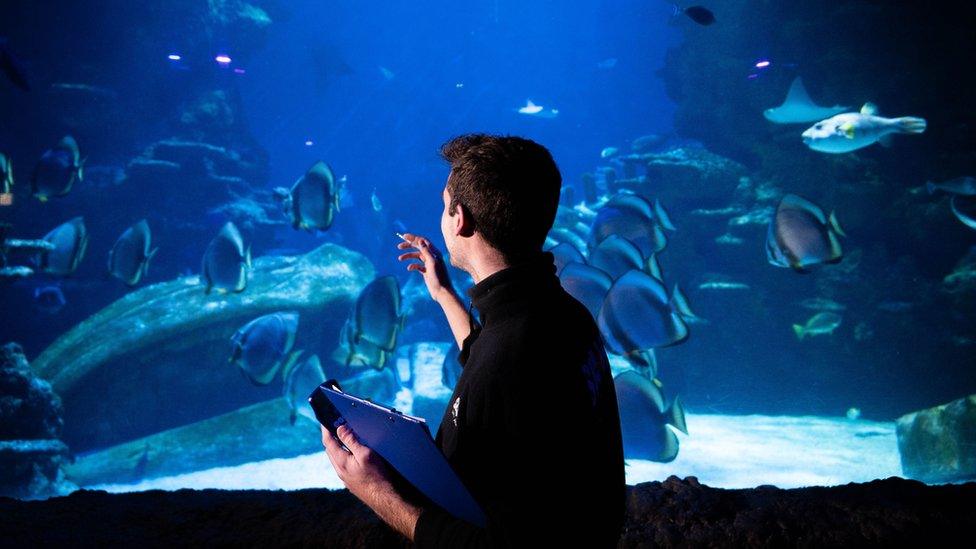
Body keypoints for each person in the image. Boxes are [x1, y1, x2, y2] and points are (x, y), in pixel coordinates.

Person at [321, 134, 625, 548]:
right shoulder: (563, 316)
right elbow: (493, 358)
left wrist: (374, 489)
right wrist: (444, 293)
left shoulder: (510, 356)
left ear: (459, 218)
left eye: (444, 205)